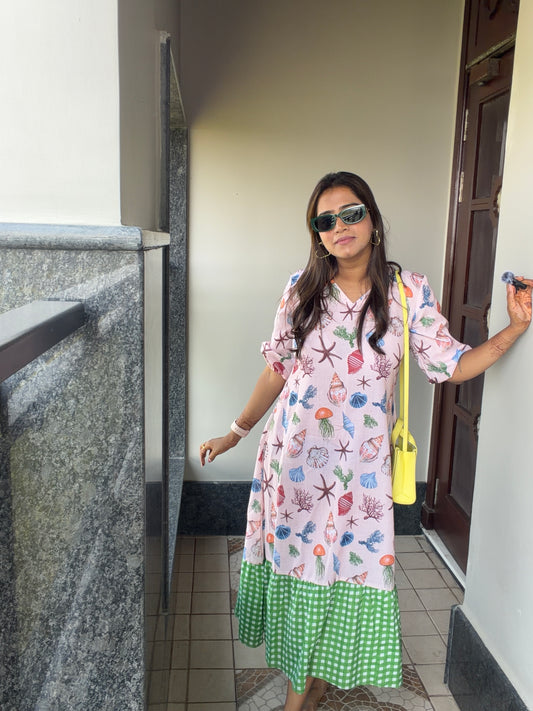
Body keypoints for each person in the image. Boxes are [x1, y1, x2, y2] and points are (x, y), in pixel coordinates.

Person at [199, 171, 532, 711]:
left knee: (343, 573)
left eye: (351, 213)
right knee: (304, 571)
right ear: (317, 234)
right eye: (325, 221)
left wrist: (515, 329)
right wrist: (235, 433)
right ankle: (301, 691)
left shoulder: (408, 292)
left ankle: (310, 682)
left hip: (362, 475)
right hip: (293, 465)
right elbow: (276, 370)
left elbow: (452, 365)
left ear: (373, 220)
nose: (340, 227)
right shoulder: (301, 289)